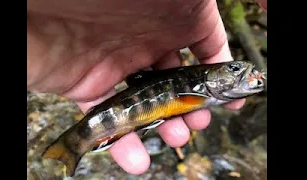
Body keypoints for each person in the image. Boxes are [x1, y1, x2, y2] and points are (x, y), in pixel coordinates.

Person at [27, 0, 266, 175]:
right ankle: (70, 146)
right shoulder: (197, 93)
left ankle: (70, 148)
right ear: (210, 78)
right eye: (234, 69)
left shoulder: (202, 88)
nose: (242, 72)